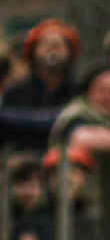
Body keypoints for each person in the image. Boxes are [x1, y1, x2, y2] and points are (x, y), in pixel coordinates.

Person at [3, 19, 80, 150]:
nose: (53, 52)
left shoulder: (78, 90)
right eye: (47, 46)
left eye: (59, 46)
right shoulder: (16, 92)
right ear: (34, 51)